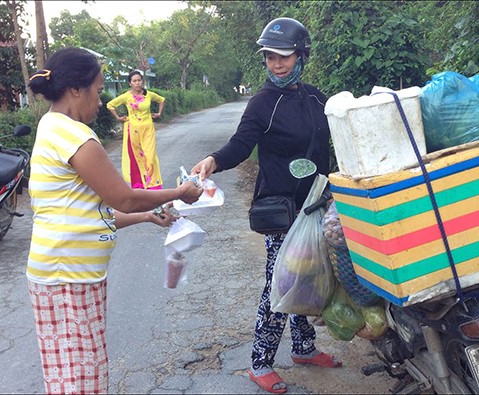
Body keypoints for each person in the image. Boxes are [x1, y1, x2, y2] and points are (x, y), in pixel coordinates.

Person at [26, 47, 202, 395]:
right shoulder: (76, 137)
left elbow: (90, 213)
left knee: (71, 379)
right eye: (97, 88)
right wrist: (179, 192)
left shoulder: (52, 125)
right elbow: (123, 195)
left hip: (62, 275)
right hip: (68, 278)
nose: (100, 98)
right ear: (76, 89)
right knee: (80, 383)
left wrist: (147, 216)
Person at [191, 17, 341, 394]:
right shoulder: (262, 103)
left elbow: (338, 139)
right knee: (280, 284)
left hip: (315, 205)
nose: (277, 64)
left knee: (308, 275)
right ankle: (260, 362)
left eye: (285, 56)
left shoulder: (317, 99)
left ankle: (305, 348)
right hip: (280, 211)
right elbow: (241, 144)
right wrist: (213, 161)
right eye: (271, 57)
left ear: (301, 56)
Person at [106, 70, 166, 190]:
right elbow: (110, 105)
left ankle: (153, 184)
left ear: (142, 81)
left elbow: (161, 100)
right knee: (137, 156)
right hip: (133, 130)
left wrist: (159, 113)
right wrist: (118, 118)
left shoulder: (148, 95)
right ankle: (140, 183)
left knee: (150, 155)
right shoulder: (126, 97)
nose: (138, 83)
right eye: (135, 81)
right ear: (130, 83)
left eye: (139, 80)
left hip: (148, 129)